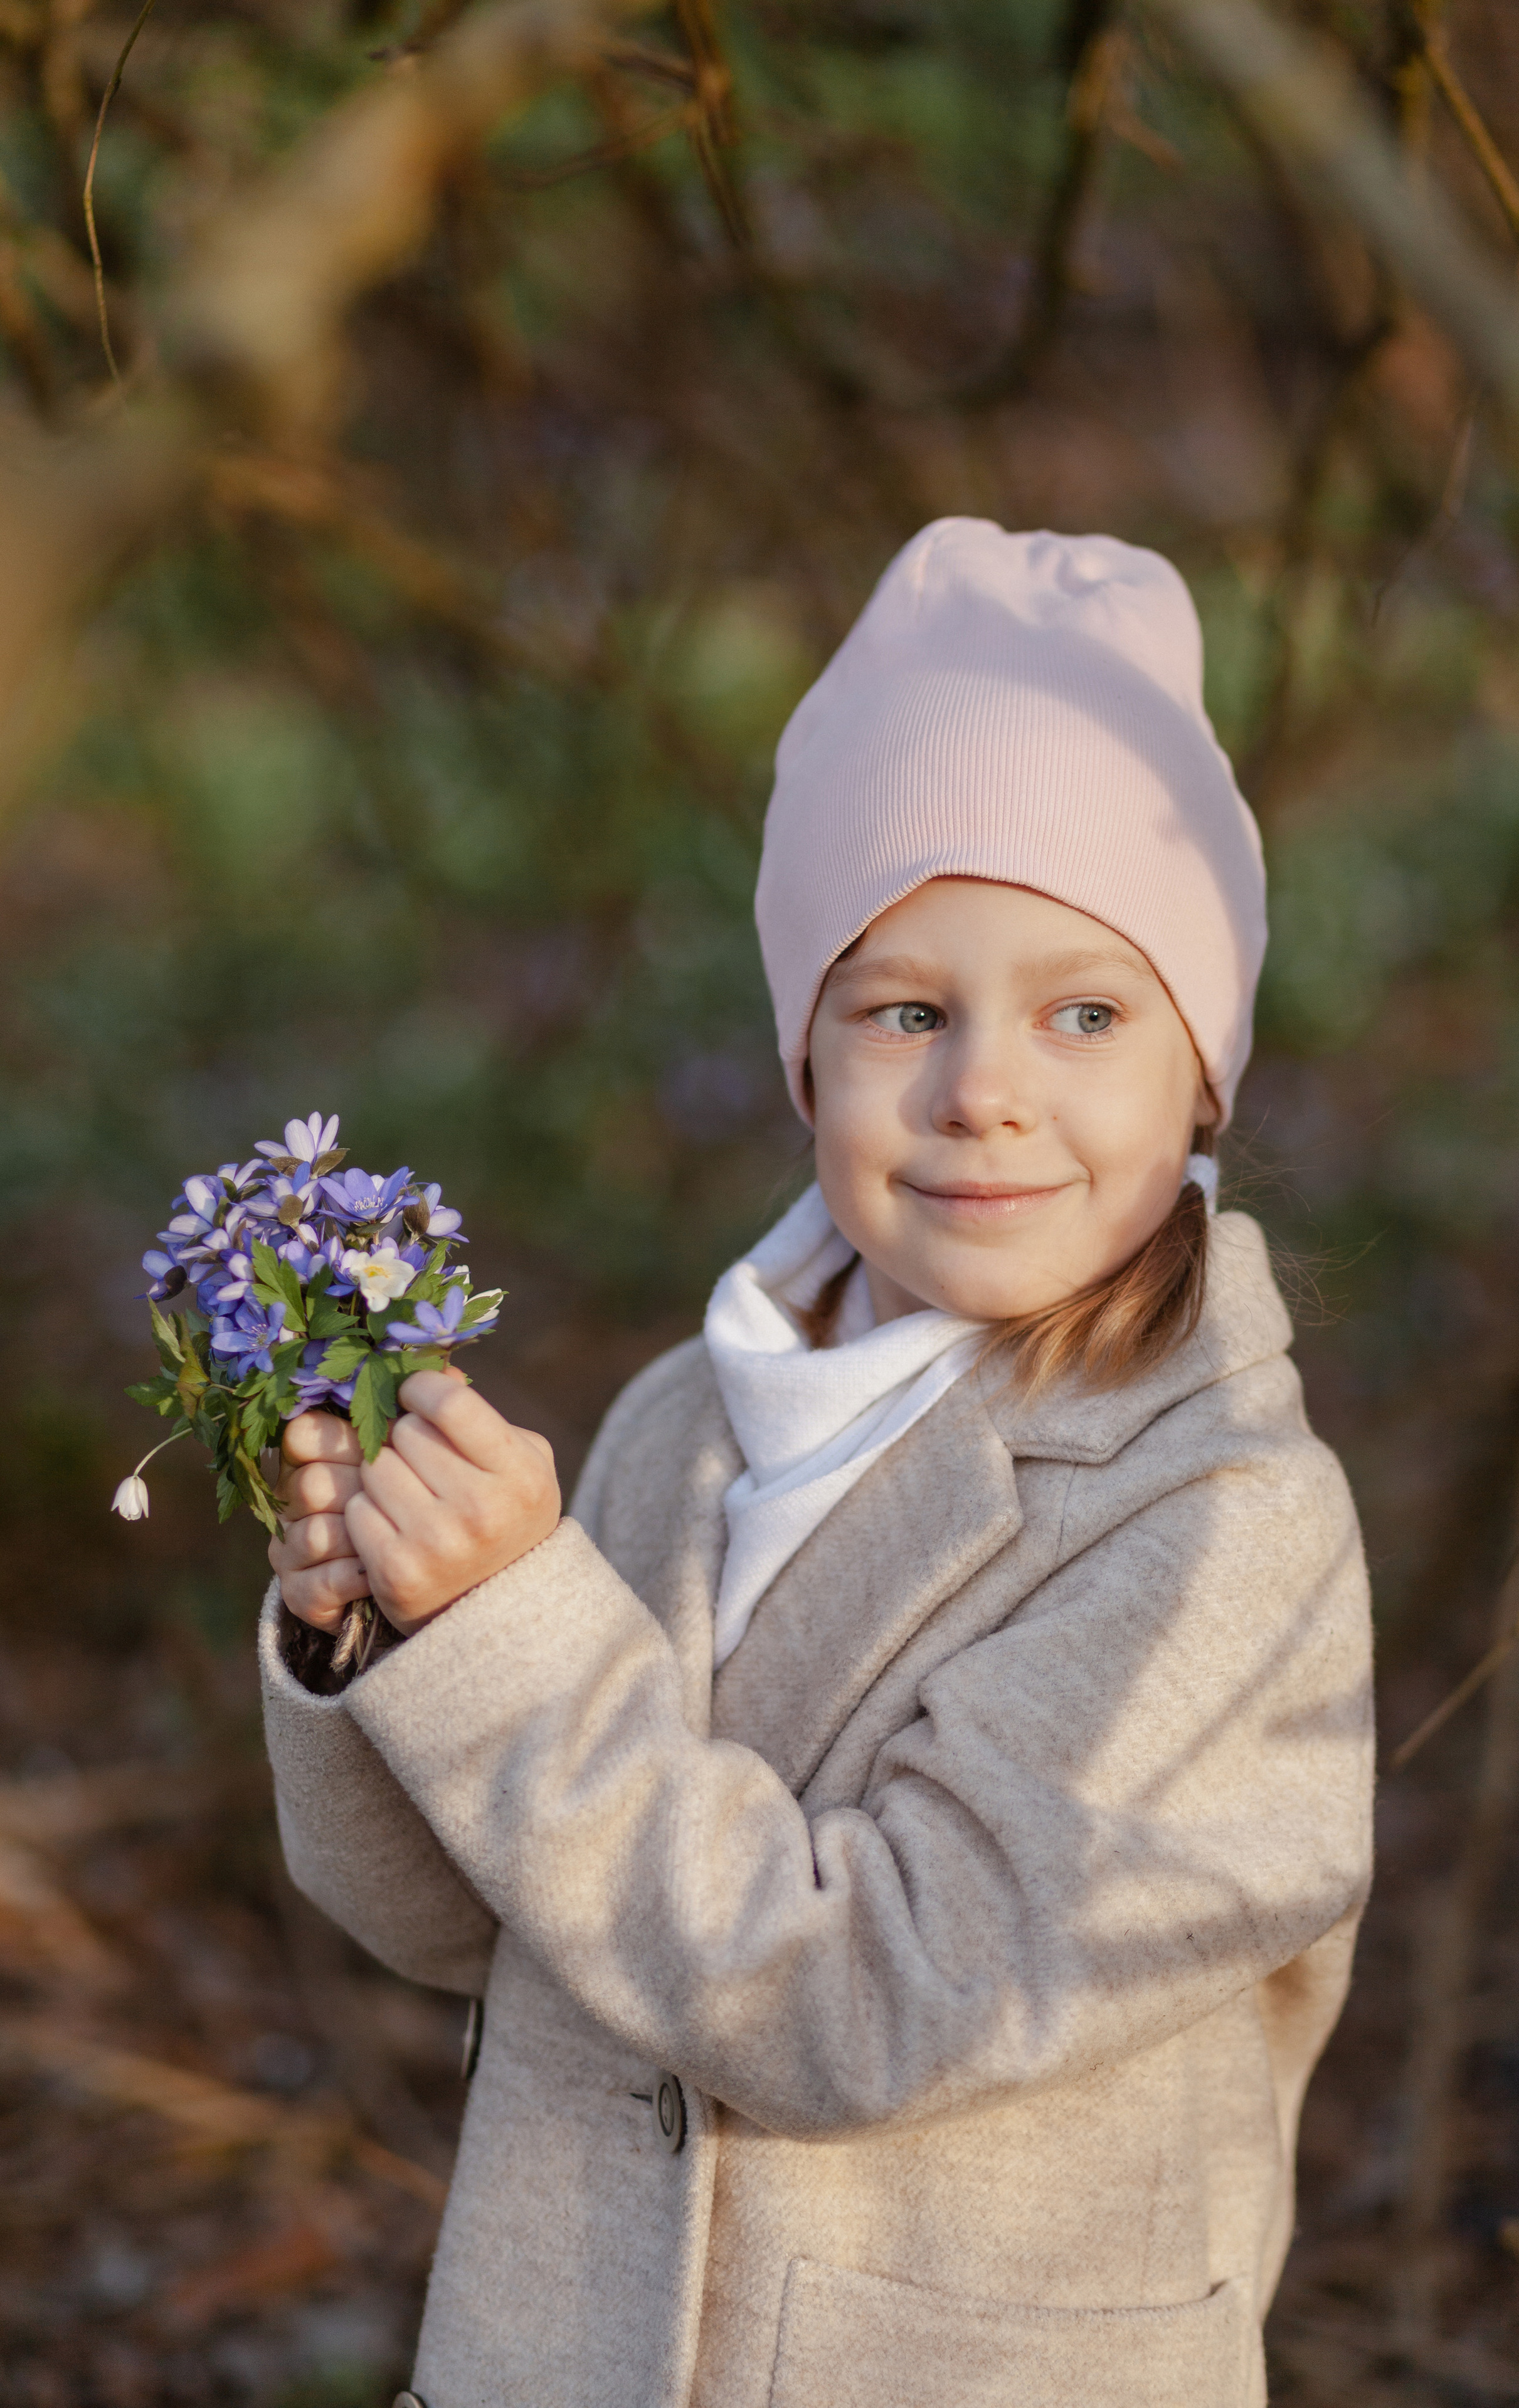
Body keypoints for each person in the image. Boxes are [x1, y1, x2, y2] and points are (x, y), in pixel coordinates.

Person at [262, 519, 1373, 2408]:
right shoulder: (689, 1422)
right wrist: (387, 1639)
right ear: (806, 1060)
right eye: (905, 1011)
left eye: (1088, 1012)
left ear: (1204, 1071)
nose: (984, 1090)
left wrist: (511, 1639)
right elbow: (466, 1925)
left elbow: (874, 1999)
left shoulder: (1224, 1528)